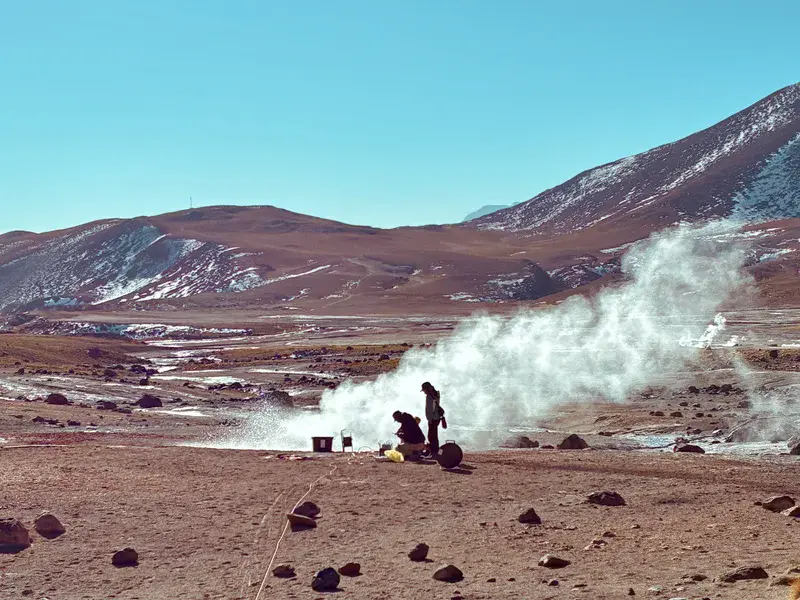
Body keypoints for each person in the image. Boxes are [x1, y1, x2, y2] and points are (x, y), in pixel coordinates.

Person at [422, 381, 445, 455]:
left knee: (431, 436)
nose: (424, 392)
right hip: (437, 417)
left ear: (427, 389)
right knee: (434, 435)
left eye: (424, 390)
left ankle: (433, 452)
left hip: (433, 419)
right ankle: (435, 451)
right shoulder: (437, 393)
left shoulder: (429, 397)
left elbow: (430, 409)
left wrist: (430, 419)